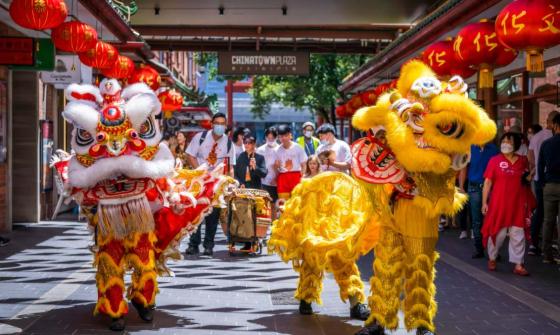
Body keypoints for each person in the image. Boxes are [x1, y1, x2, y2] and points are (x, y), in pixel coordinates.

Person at [481, 132, 535, 276]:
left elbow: (526, 179)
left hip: (518, 204)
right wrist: (484, 203)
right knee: (498, 234)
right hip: (499, 204)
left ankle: (518, 264)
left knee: (518, 234)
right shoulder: (494, 160)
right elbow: (487, 182)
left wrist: (530, 175)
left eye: (509, 142)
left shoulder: (523, 160)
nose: (505, 144)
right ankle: (492, 258)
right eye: (503, 141)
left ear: (516, 144)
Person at [185, 112, 235, 257]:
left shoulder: (228, 142)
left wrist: (231, 182)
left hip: (216, 183)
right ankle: (193, 245)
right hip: (199, 181)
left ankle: (209, 246)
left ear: (225, 126)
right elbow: (190, 155)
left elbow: (231, 165)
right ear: (212, 124)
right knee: (197, 214)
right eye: (217, 123)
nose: (219, 126)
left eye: (222, 124)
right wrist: (200, 171)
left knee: (213, 216)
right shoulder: (200, 137)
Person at [528, 111, 558, 256]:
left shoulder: (539, 138)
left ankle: (538, 246)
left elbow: (533, 159)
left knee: (543, 215)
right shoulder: (549, 138)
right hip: (551, 181)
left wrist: (538, 177)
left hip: (543, 182)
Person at [463, 142, 499, 258]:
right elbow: (464, 167)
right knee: (476, 220)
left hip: (491, 187)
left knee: (492, 219)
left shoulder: (494, 149)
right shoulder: (469, 148)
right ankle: (479, 248)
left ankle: (493, 250)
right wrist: (462, 187)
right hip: (473, 187)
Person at [538, 113, 560, 265]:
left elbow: (540, 166)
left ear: (555, 126)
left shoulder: (547, 143)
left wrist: (542, 184)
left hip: (550, 186)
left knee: (548, 221)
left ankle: (547, 254)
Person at [274, 124, 308, 200]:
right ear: (278, 138)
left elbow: (304, 164)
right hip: (283, 178)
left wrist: (303, 177)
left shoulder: (298, 147)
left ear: (290, 135)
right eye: (281, 136)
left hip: (296, 177)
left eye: (285, 135)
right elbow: (276, 168)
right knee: (283, 205)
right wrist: (276, 167)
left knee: (296, 202)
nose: (283, 138)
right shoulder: (276, 150)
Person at [257, 127, 280, 217]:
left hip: (276, 182)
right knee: (264, 205)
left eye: (272, 138)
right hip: (264, 181)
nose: (270, 140)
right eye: (268, 138)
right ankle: (265, 228)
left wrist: (276, 177)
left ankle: (274, 226)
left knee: (274, 205)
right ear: (265, 138)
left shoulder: (280, 149)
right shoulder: (260, 150)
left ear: (276, 138)